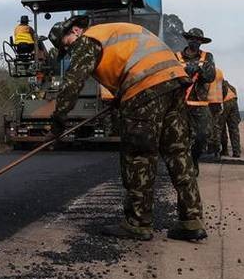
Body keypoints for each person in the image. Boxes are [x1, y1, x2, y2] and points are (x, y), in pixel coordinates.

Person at [47, 14, 205, 242]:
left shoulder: (89, 39)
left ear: (75, 31)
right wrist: (121, 98)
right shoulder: (114, 32)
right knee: (178, 153)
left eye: (67, 45)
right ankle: (192, 221)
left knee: (139, 156)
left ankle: (138, 223)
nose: (70, 50)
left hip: (146, 88)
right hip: (174, 81)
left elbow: (73, 82)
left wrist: (58, 121)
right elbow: (132, 63)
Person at [175, 28, 217, 167]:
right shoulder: (176, 57)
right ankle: (184, 166)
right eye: (193, 38)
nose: (195, 41)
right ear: (187, 39)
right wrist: (185, 70)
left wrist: (200, 70)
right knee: (179, 137)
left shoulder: (207, 57)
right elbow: (170, 76)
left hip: (200, 104)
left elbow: (210, 77)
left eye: (198, 40)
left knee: (203, 136)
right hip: (179, 103)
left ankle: (194, 159)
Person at [220, 79, 240, 158]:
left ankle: (224, 150)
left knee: (221, 128)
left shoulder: (217, 85)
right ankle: (236, 151)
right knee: (234, 129)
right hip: (233, 104)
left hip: (224, 104)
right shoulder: (232, 87)